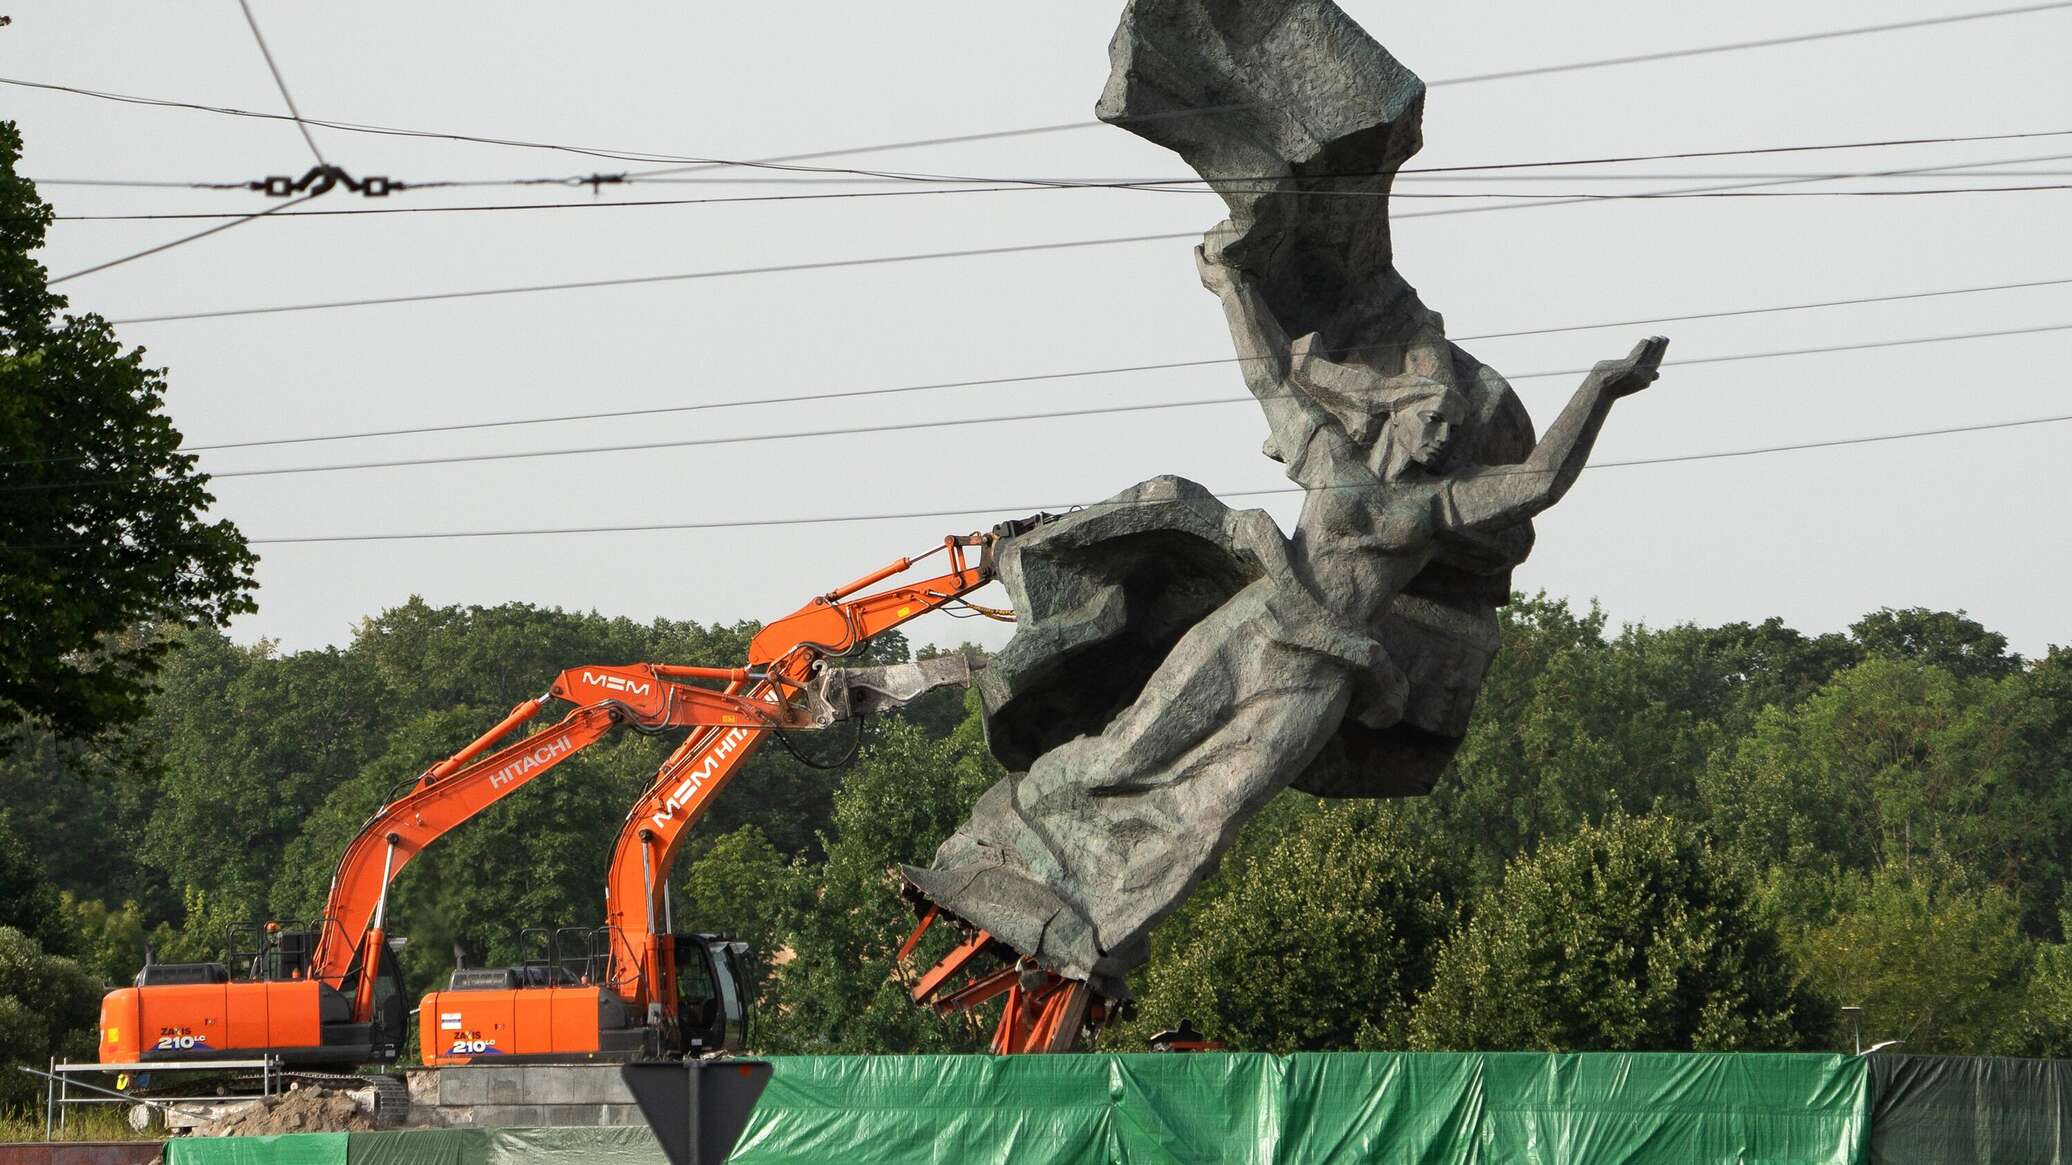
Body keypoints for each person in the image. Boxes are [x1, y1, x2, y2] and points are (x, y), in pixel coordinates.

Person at [906, 235, 1667, 995]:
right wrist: (1230, 288)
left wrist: (1601, 387)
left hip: (1318, 680)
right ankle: (1002, 849)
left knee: (1215, 814)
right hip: (1252, 635)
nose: (1442, 433)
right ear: (1397, 414)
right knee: (1127, 751)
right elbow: (1267, 373)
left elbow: (1537, 481)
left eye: (1450, 424)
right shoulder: (1330, 456)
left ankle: (1104, 927)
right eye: (1432, 416)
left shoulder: (1435, 508)